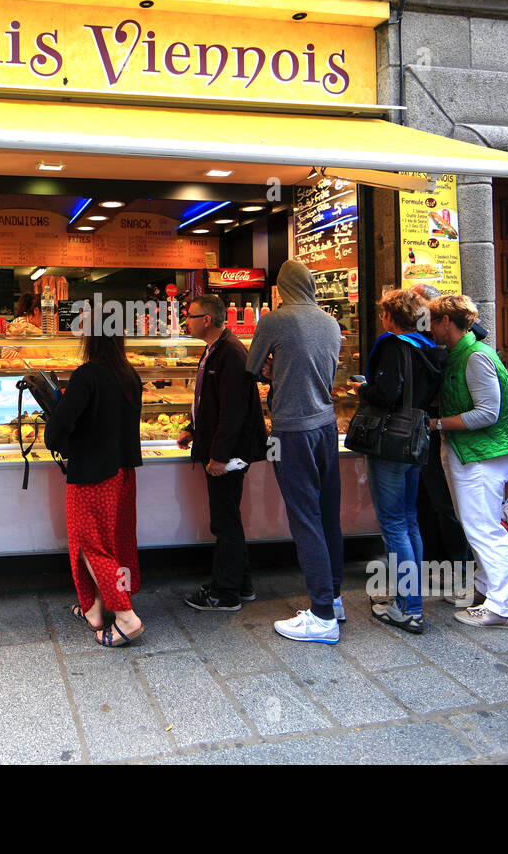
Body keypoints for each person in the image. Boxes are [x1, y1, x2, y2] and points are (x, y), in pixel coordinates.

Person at [247, 260, 346, 644]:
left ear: (281, 288)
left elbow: (251, 368)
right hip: (326, 427)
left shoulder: (275, 319)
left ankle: (321, 617)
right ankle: (334, 599)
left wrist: (271, 369)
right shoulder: (330, 322)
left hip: (291, 431)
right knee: (327, 516)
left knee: (304, 518)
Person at [428, 294, 508, 628]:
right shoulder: (462, 354)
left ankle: (502, 606)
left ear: (447, 321)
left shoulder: (475, 357)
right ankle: (484, 589)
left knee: (484, 530)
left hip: (482, 455)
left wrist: (437, 424)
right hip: (473, 453)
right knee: (477, 526)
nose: (429, 328)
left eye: (432, 321)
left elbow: (487, 413)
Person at [43, 315, 145, 648]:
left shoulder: (88, 376)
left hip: (92, 475)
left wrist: (55, 420)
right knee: (114, 543)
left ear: (92, 339)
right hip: (122, 474)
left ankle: (126, 618)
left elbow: (57, 430)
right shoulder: (130, 375)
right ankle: (96, 609)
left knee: (92, 547)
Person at [355, 289, 444, 634]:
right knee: (409, 521)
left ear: (393, 318)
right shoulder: (430, 348)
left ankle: (409, 607)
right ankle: (410, 598)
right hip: (417, 440)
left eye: (384, 314)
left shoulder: (395, 346)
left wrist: (363, 388)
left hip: (391, 443)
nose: (382, 320)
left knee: (393, 525)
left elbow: (387, 393)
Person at [177, 295, 268, 611]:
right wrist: (193, 428)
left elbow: (233, 411)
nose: (185, 321)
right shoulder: (216, 349)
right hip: (221, 447)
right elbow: (210, 400)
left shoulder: (230, 352)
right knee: (229, 517)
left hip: (230, 453)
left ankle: (225, 593)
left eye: (190, 316)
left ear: (207, 321)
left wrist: (219, 456)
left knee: (224, 522)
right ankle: (241, 584)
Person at [409, 283, 480, 585]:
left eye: (420, 305)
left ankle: (459, 567)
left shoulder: (468, 346)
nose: (416, 311)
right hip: (429, 424)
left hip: (444, 426)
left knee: (445, 501)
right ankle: (435, 563)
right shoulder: (427, 336)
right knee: (428, 498)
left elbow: (487, 410)